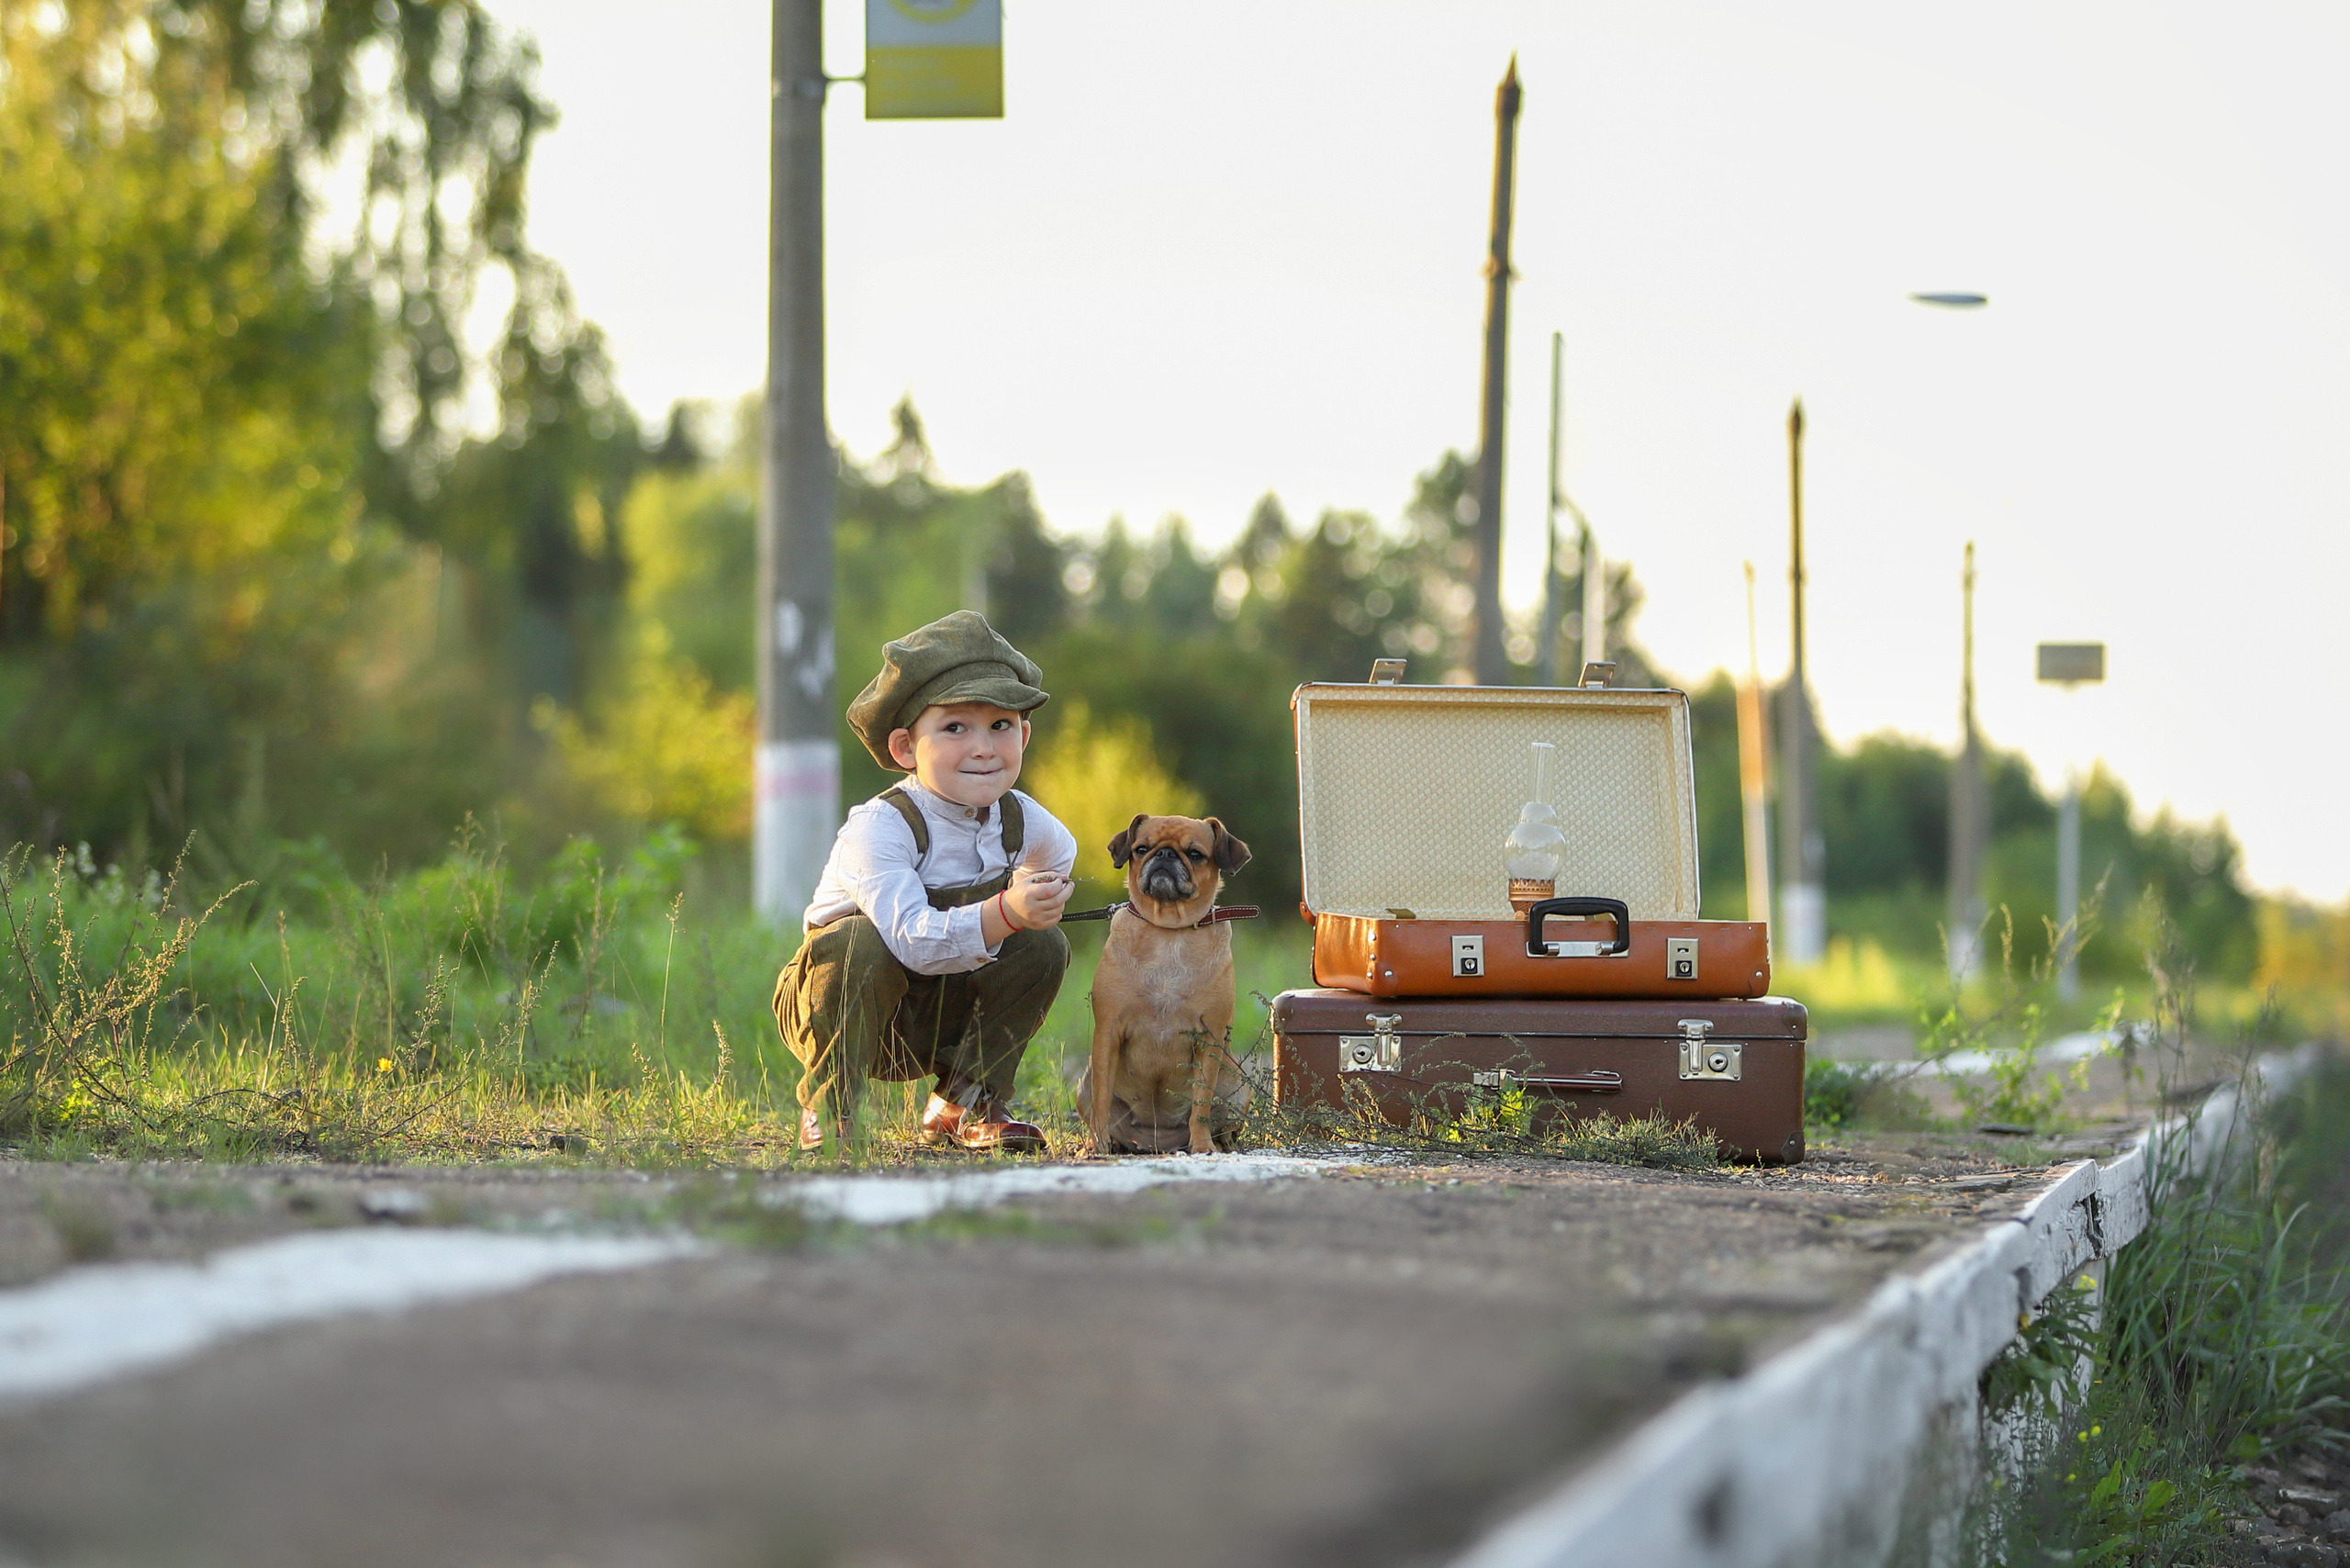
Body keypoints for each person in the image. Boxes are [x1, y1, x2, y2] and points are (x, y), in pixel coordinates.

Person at [773, 610, 1077, 1153]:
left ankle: (964, 1102)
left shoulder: (1020, 818)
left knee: (1043, 943)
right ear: (905, 749)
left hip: (944, 1016)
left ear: (1024, 736)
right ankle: (833, 1109)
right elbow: (911, 938)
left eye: (1001, 726)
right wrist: (1007, 911)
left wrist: (1042, 897)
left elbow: (1062, 855)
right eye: (956, 727)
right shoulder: (882, 826)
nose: (984, 747)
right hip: (850, 1013)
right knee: (859, 942)